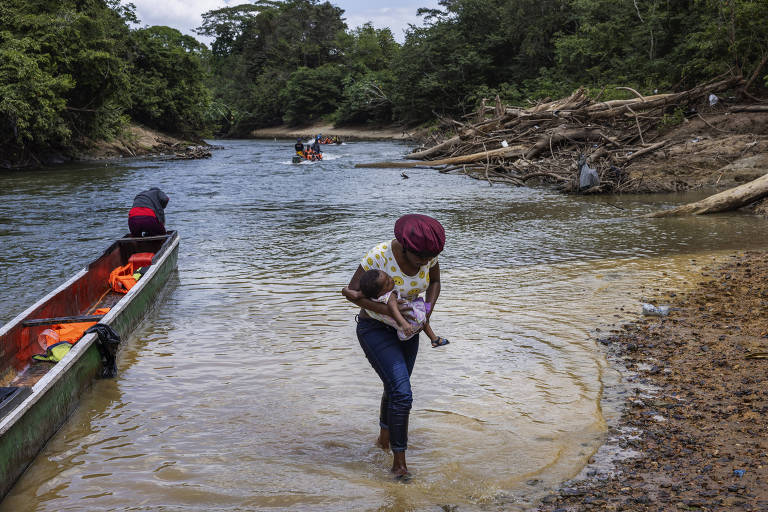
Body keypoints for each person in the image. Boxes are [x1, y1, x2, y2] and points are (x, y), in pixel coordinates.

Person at [341, 214, 446, 480]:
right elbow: (351, 292)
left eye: (429, 257)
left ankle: (383, 441)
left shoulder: (429, 254)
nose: (425, 262)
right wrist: (389, 310)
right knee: (402, 393)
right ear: (405, 246)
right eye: (420, 257)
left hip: (409, 331)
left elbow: (434, 282)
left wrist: (427, 311)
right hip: (375, 329)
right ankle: (399, 464)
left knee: (395, 388)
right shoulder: (379, 256)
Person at [359, 268, 448, 347]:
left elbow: (362, 294)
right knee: (423, 317)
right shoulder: (390, 296)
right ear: (380, 292)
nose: (391, 280)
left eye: (389, 276)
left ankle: (434, 339)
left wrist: (356, 294)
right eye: (387, 283)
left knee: (423, 320)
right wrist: (403, 323)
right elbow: (393, 309)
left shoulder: (374, 297)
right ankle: (434, 339)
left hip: (402, 331)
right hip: (410, 321)